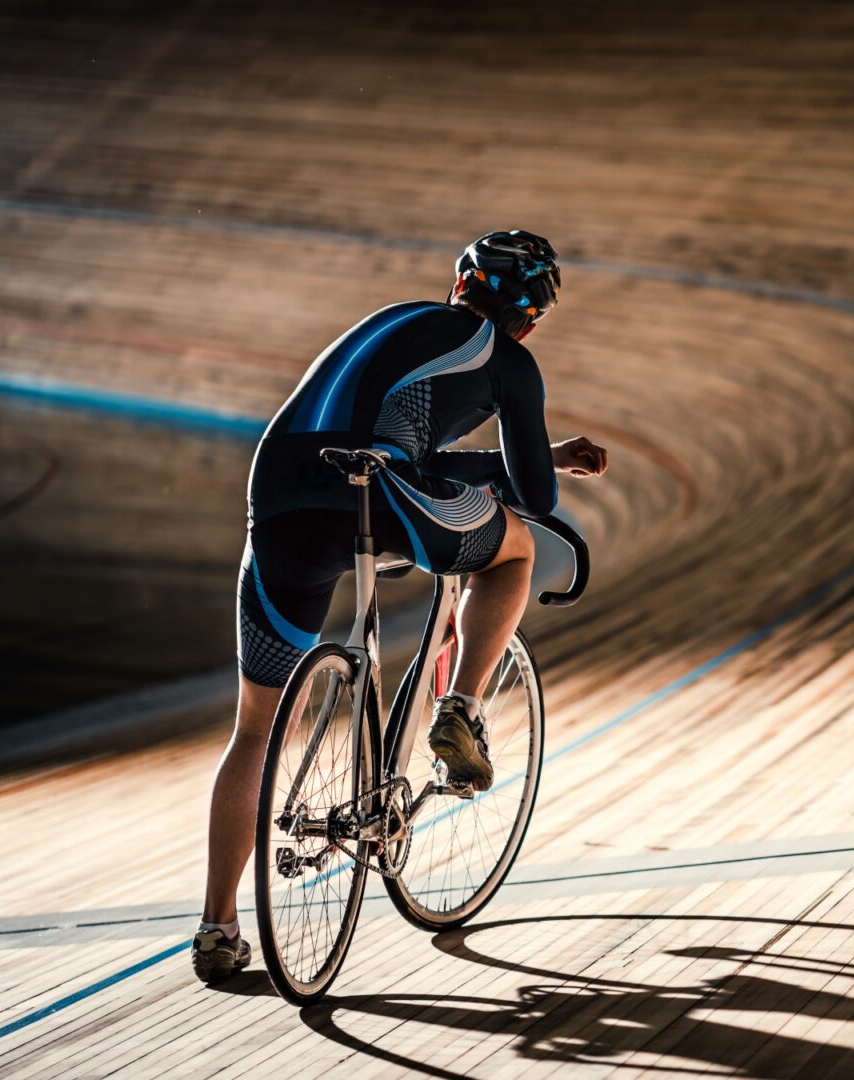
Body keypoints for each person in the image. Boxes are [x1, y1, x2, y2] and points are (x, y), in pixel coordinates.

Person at [191, 230, 608, 983]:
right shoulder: (509, 358)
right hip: (388, 495)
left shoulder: (390, 317)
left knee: (255, 726)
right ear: (534, 319)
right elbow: (535, 496)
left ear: (458, 282)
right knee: (515, 549)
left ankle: (217, 928)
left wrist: (531, 456)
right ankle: (462, 707)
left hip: (282, 493)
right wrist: (538, 461)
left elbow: (388, 439)